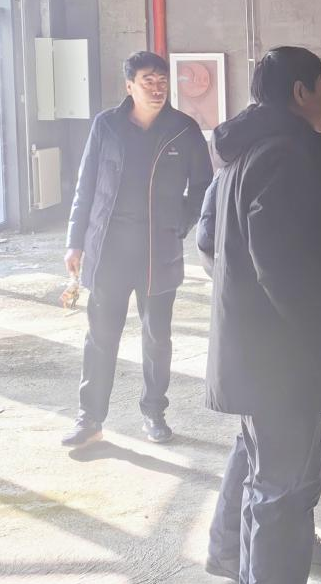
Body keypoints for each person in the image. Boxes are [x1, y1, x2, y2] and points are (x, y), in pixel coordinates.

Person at [204, 46, 321, 584]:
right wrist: (313, 339)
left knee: (263, 471)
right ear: (300, 92)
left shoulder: (245, 151)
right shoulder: (288, 154)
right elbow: (284, 268)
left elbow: (210, 241)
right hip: (283, 359)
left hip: (259, 351)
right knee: (284, 488)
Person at [195, 171, 321, 583]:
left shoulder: (247, 162)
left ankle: (242, 548)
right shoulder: (261, 165)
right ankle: (243, 553)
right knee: (270, 464)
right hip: (269, 346)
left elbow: (211, 243)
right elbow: (213, 243)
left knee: (259, 453)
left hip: (262, 342)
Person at [61, 51, 212, 448]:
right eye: (148, 81)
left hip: (157, 251)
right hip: (108, 249)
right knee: (101, 337)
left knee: (157, 338)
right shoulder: (106, 126)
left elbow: (203, 187)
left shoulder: (183, 129)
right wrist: (75, 241)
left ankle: (154, 412)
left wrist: (179, 223)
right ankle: (90, 418)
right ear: (130, 86)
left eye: (162, 81)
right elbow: (85, 185)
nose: (157, 88)